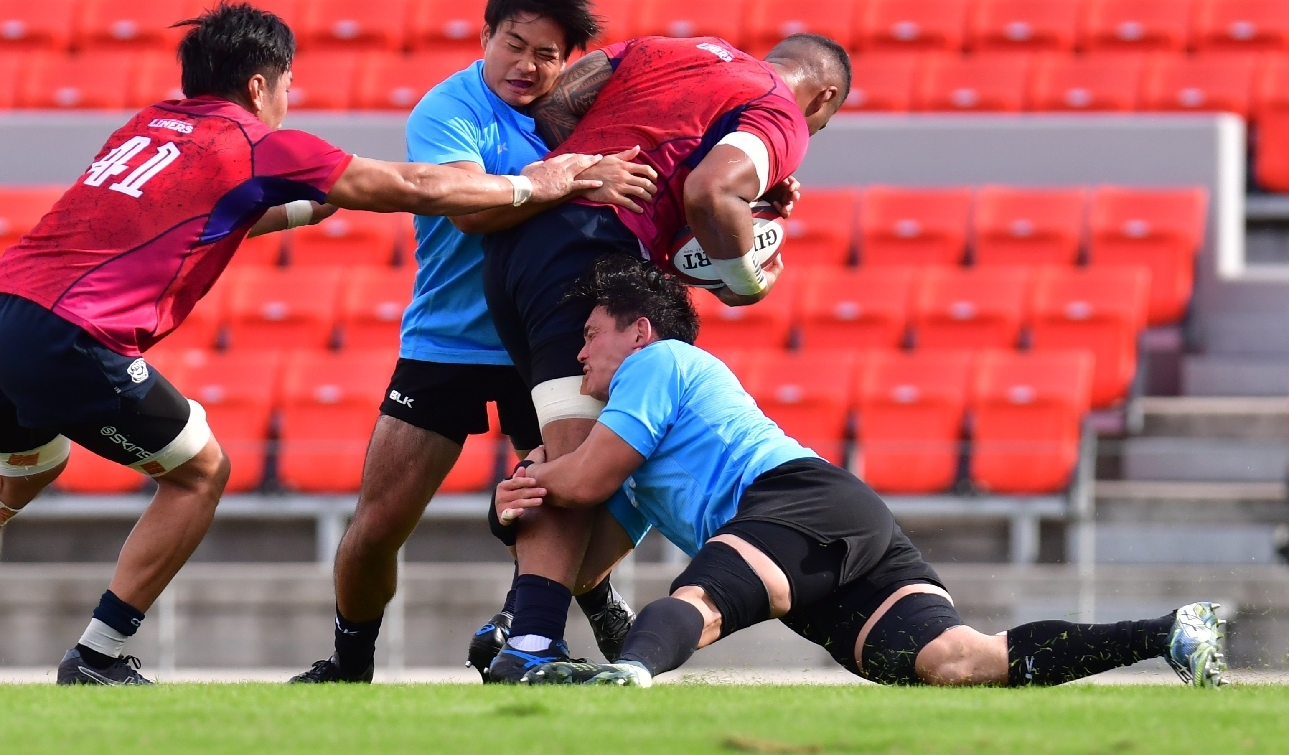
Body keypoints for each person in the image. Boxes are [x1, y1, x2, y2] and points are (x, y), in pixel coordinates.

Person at [0, 1, 605, 686]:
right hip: (68, 333)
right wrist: (535, 182)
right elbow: (414, 185)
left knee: (12, 478)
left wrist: (312, 202)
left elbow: (197, 222)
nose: (291, 96)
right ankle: (99, 655)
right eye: (288, 81)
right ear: (261, 85)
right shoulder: (255, 141)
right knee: (200, 473)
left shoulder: (145, 126)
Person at [499, 256, 1228, 690]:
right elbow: (588, 561)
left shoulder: (657, 365)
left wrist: (533, 477)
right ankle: (1166, 632)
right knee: (962, 662)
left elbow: (583, 484)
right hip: (836, 523)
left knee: (700, 598)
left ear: (639, 332)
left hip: (794, 500)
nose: (581, 355)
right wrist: (522, 512)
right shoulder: (638, 448)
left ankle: (627, 685)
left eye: (592, 336)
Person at [290, 0, 656, 684]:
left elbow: (670, 170)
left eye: (546, 54)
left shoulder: (590, 115)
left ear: (568, 62)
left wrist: (757, 195)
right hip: (447, 342)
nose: (525, 65)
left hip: (551, 346)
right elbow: (465, 205)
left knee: (574, 499)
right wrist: (569, 177)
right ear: (485, 36)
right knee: (380, 524)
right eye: (513, 44)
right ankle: (350, 663)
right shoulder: (448, 109)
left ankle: (542, 619)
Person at [477, 32, 851, 681]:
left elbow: (558, 107)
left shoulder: (675, 49)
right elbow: (711, 192)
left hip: (522, 243)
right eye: (822, 123)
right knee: (580, 460)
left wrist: (675, 203)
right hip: (588, 255)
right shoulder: (780, 112)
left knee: (590, 448)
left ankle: (520, 620)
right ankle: (530, 646)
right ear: (821, 99)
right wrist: (744, 276)